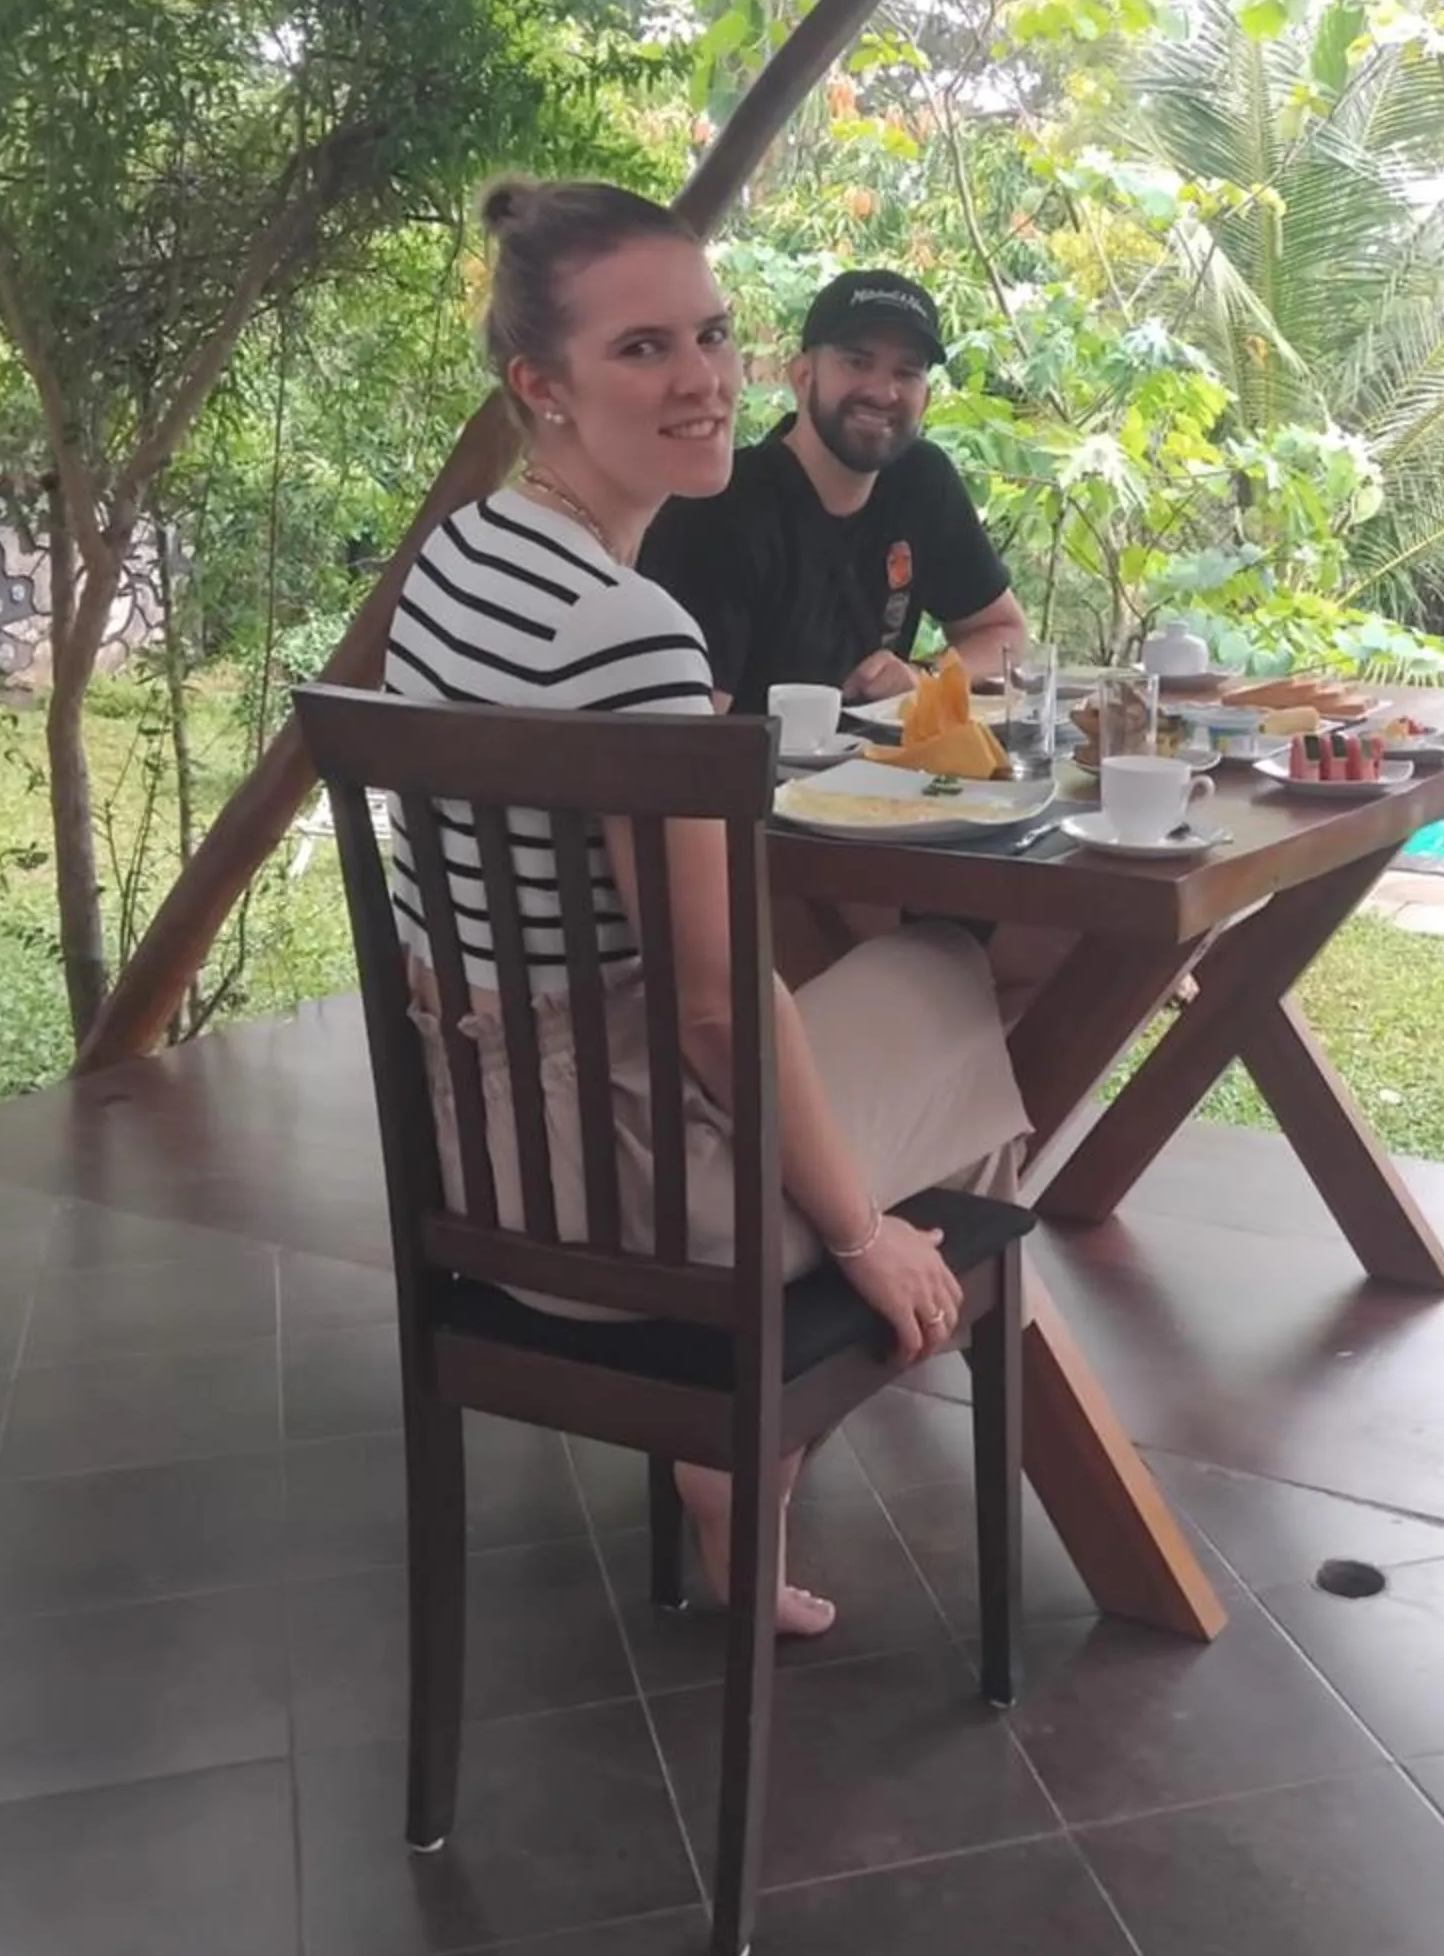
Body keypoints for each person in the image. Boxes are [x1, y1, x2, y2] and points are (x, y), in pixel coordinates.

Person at [383, 181, 1029, 1638]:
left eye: (715, 335)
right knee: (950, 993)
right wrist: (864, 1235)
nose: (703, 380)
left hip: (477, 1164)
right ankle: (765, 1433)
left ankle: (752, 1446)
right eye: (642, 350)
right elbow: (713, 1009)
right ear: (537, 387)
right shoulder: (629, 634)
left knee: (916, 1028)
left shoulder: (463, 557)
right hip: (639, 1204)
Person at [637, 268, 1027, 713]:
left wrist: (927, 679)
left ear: (927, 398)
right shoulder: (719, 509)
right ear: (802, 377)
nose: (883, 391)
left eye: (907, 371)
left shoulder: (922, 478)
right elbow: (687, 734)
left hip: (883, 776)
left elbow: (1005, 634)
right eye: (857, 362)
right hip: (750, 779)